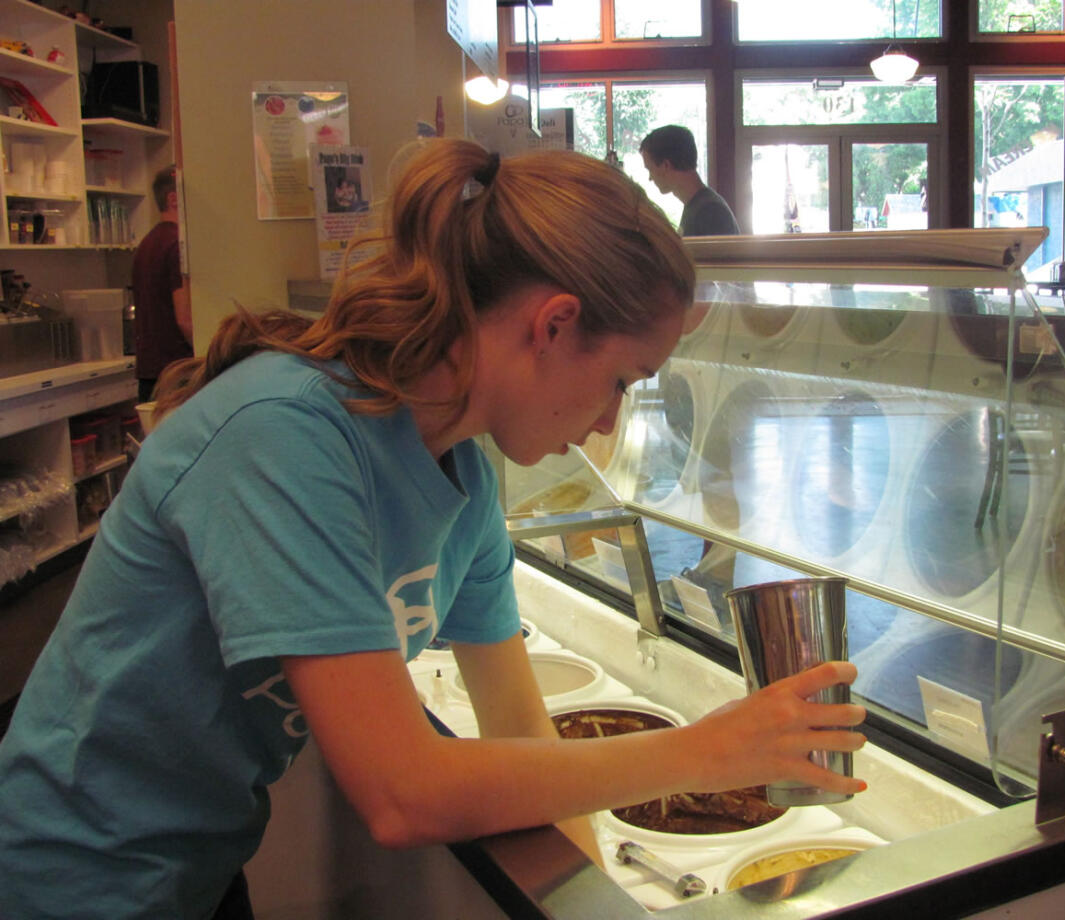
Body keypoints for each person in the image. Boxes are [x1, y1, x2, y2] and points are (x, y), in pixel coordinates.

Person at [0, 139, 865, 920]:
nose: (609, 424)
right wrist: (707, 754)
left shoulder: (464, 478)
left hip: (197, 866)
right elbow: (402, 792)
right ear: (554, 324)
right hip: (65, 878)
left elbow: (523, 736)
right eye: (622, 380)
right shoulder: (287, 435)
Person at [131, 163, 192, 402]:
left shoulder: (147, 244)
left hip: (150, 372)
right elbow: (185, 319)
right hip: (175, 373)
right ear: (174, 199)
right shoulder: (176, 245)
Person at [640, 124, 741, 236]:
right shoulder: (697, 206)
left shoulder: (709, 211)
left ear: (666, 165)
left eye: (650, 169)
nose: (650, 178)